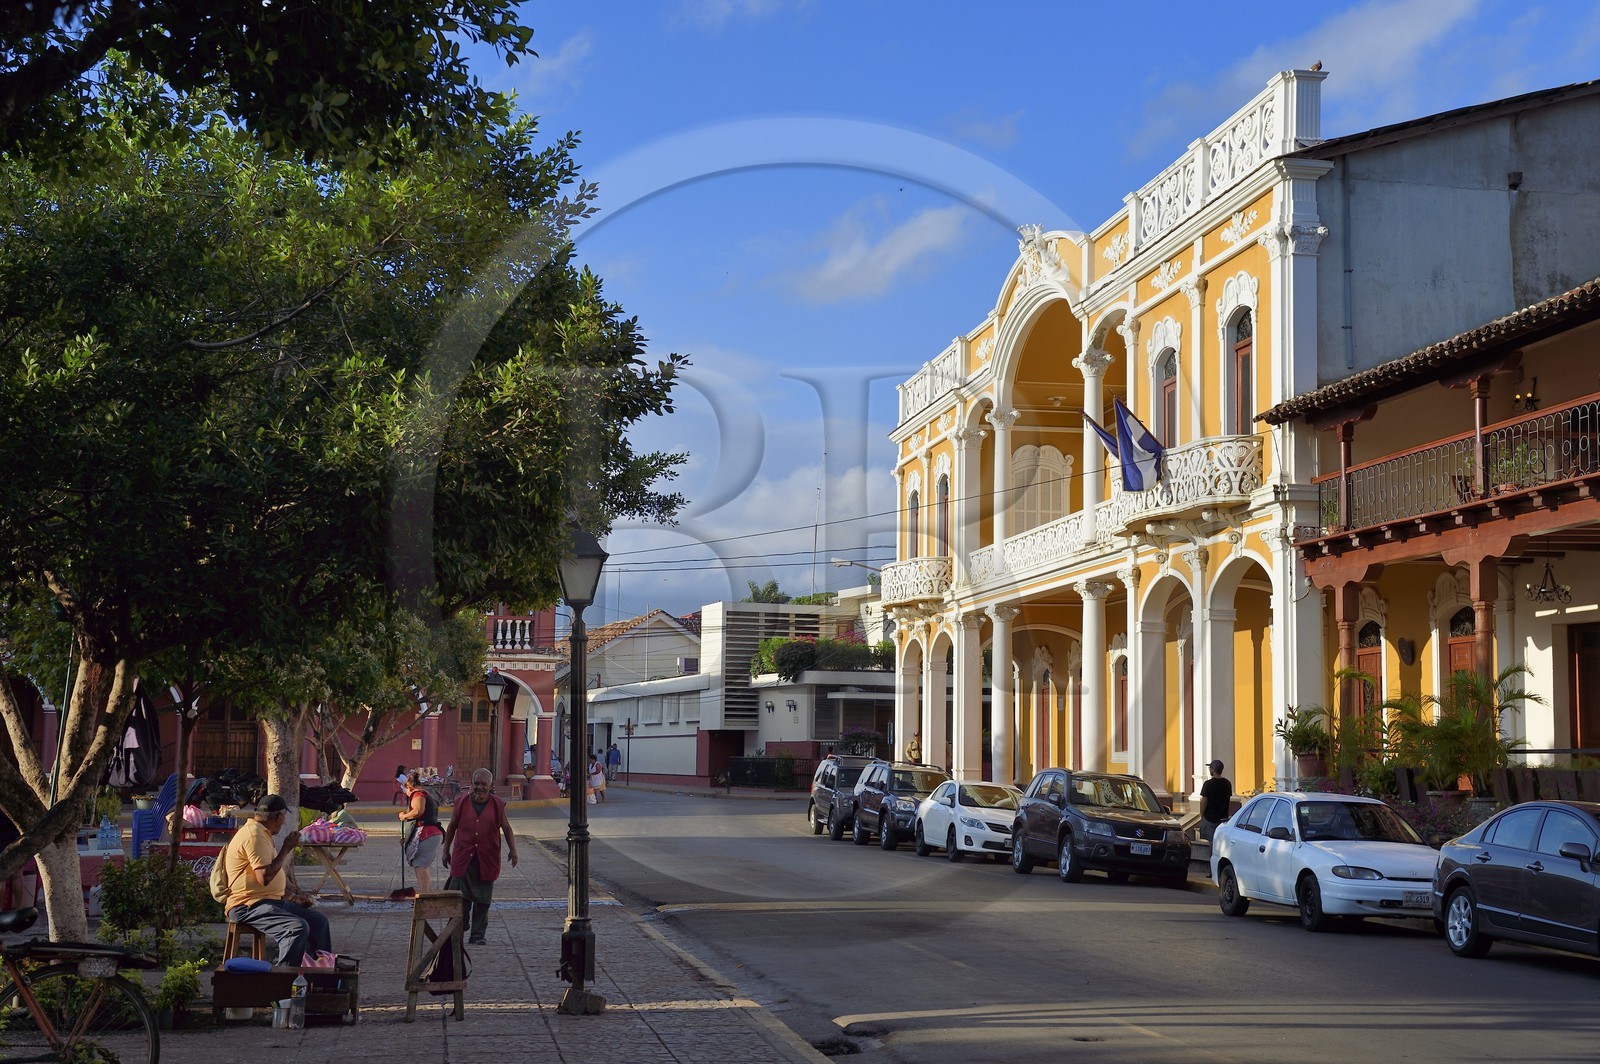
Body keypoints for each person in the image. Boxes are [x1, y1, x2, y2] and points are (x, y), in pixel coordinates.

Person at [221, 794, 332, 967]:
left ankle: (318, 974)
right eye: (283, 818)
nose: (283, 822)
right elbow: (264, 878)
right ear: (279, 816)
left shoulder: (262, 833)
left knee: (318, 922)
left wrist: (294, 897)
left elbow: (268, 882)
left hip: (269, 900)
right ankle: (284, 981)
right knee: (296, 928)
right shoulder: (254, 836)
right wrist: (286, 848)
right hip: (248, 905)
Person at [443, 769, 518, 945]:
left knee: (483, 900)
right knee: (460, 896)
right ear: (472, 783)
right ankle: (459, 927)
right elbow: (452, 826)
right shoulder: (461, 802)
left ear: (491, 786)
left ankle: (477, 935)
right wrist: (446, 850)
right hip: (463, 857)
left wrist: (513, 850)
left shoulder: (498, 805)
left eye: (483, 784)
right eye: (476, 783)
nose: (479, 787)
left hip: (486, 859)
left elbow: (506, 828)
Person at [398, 770, 444, 893]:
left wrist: (405, 815)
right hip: (432, 834)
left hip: (428, 834)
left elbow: (418, 811)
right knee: (422, 865)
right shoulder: (426, 794)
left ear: (408, 786)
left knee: (420, 865)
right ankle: (425, 893)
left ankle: (424, 895)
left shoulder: (417, 794)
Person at [1199, 759, 1233, 842]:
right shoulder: (1227, 783)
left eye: (1210, 768)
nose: (1209, 770)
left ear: (1214, 769)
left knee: (1210, 843)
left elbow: (1204, 802)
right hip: (1223, 819)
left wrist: (1202, 816)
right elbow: (1228, 800)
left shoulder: (1208, 784)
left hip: (1210, 819)